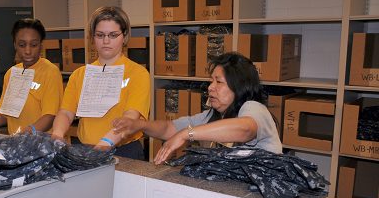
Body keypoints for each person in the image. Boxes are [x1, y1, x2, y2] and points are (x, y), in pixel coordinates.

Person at [113, 52, 282, 165]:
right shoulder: (213, 116)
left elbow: (245, 129)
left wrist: (186, 134)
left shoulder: (254, 108)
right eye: (211, 81)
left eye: (219, 82)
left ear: (239, 86)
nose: (210, 87)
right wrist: (139, 125)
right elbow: (169, 128)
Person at [51, 6, 150, 160]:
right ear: (92, 37)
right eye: (100, 35)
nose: (105, 41)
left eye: (113, 35)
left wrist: (105, 143)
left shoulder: (137, 73)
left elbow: (131, 117)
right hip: (86, 148)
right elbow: (66, 112)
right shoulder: (80, 75)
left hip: (123, 151)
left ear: (124, 37)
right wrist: (57, 134)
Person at [0, 19, 63, 134]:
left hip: (41, 145)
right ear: (15, 45)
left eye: (33, 45)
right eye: (22, 45)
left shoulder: (50, 72)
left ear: (41, 45)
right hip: (16, 143)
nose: (28, 51)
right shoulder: (11, 73)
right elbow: (4, 115)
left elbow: (50, 116)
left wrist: (26, 133)